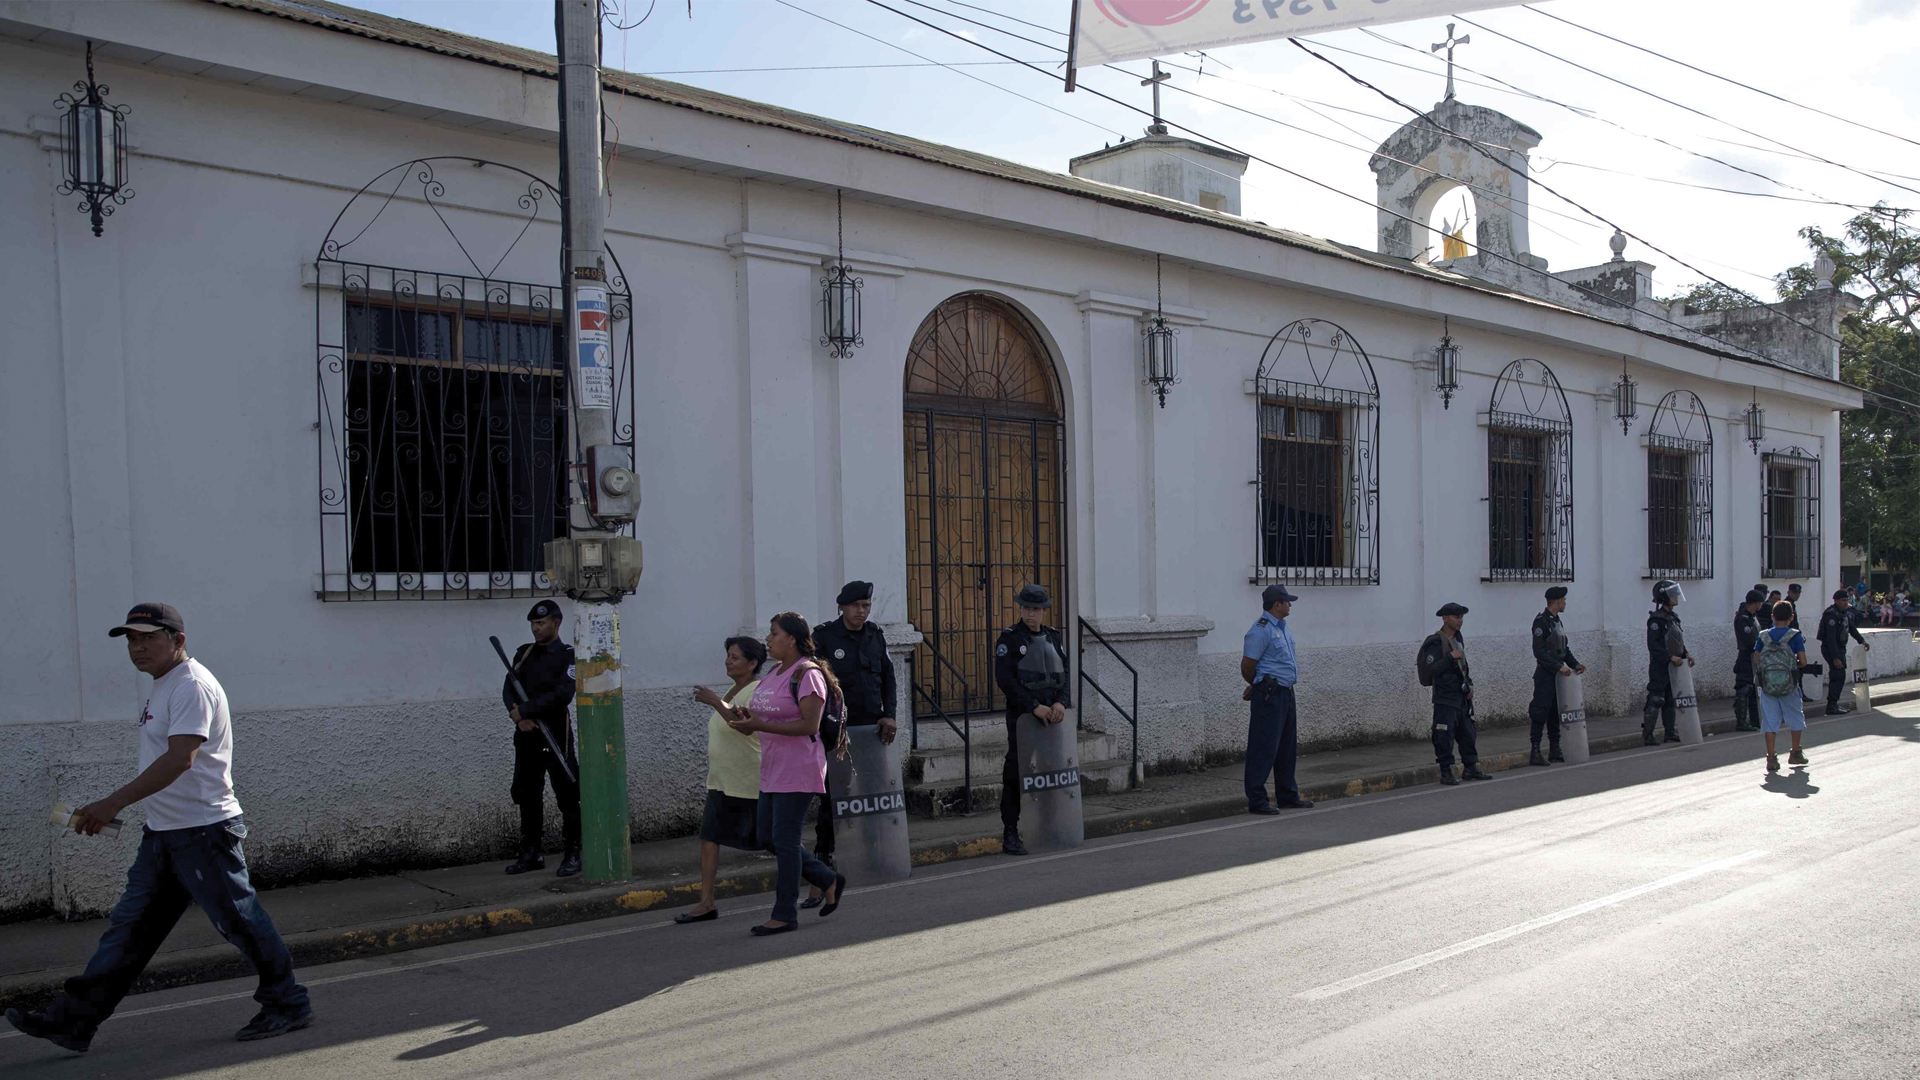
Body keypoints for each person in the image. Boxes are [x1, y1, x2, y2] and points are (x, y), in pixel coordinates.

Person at [5, 604, 312, 1053]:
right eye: (131, 639)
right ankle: (74, 1020)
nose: (137, 647)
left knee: (240, 923)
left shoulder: (191, 685)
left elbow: (179, 758)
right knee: (129, 931)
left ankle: (287, 1002)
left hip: (205, 831)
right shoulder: (166, 686)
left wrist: (113, 802)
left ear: (178, 640)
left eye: (148, 637)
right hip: (166, 833)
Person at [727, 613, 847, 935]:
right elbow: (765, 715)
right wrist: (746, 717)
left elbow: (809, 725)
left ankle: (784, 914)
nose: (768, 638)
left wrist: (759, 724)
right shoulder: (774, 672)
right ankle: (826, 878)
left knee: (785, 840)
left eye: (774, 633)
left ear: (791, 639)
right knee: (767, 837)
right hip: (772, 768)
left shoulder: (808, 675)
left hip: (799, 769)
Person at [804, 580, 897, 904]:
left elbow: (888, 678)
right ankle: (824, 860)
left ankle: (875, 853)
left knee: (874, 793)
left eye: (866, 606)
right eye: (857, 605)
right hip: (836, 731)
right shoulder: (825, 637)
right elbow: (812, 680)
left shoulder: (875, 636)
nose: (862, 611)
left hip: (871, 729)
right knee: (835, 797)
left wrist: (890, 714)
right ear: (842, 606)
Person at [676, 636, 766, 925]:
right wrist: (719, 700)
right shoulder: (735, 689)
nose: (728, 661)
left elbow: (743, 727)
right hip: (722, 781)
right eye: (728, 656)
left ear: (752, 664)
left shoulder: (756, 690)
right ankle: (706, 902)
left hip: (748, 781)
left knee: (775, 840)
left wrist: (715, 701)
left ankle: (822, 878)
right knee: (710, 837)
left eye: (735, 657)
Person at [503, 600, 581, 877]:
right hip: (527, 735)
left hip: (556, 733)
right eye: (534, 624)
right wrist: (519, 716)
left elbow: (563, 694)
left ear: (556, 624)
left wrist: (525, 709)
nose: (536, 628)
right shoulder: (524, 654)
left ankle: (574, 852)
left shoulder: (567, 655)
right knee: (527, 794)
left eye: (541, 623)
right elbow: (510, 686)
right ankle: (532, 852)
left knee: (568, 793)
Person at [994, 584, 1074, 852]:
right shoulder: (1010, 639)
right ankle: (1010, 833)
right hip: (1023, 719)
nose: (1030, 614)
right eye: (1026, 608)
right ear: (1020, 608)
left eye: (1036, 609)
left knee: (1052, 772)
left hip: (1053, 718)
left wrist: (1061, 702)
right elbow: (1005, 680)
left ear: (1044, 611)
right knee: (1016, 774)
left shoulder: (1053, 637)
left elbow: (1064, 673)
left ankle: (1050, 824)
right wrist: (1032, 706)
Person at [1240, 584, 1314, 814]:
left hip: (1285, 692)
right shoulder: (1261, 630)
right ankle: (1257, 799)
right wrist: (1258, 684)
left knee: (1286, 747)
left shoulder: (1282, 627)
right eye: (1287, 601)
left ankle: (1287, 794)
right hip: (1270, 695)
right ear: (1277, 604)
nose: (1290, 605)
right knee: (1264, 747)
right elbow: (1248, 665)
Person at [1421, 603, 1491, 785]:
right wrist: (1450, 657)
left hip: (1461, 697)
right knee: (1444, 736)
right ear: (1445, 619)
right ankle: (1446, 771)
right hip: (1445, 698)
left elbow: (1463, 667)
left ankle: (1471, 767)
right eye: (1456, 617)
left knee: (1468, 732)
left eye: (1461, 617)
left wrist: (1470, 685)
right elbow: (1432, 670)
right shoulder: (1436, 642)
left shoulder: (1458, 638)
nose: (1460, 621)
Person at [1527, 586, 1585, 765]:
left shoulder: (1557, 622)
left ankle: (1555, 749)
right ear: (1557, 601)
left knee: (1555, 713)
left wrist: (1575, 664)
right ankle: (1535, 751)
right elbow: (1540, 651)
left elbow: (1563, 649)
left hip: (1559, 677)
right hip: (1546, 675)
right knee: (1539, 712)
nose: (1565, 603)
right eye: (1563, 600)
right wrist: (1558, 666)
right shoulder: (1541, 622)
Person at [1753, 600, 1811, 773]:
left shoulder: (1763, 636)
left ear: (1772, 617)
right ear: (1791, 617)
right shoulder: (1795, 635)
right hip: (1789, 685)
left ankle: (1771, 758)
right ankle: (1795, 752)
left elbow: (1756, 659)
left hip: (1768, 685)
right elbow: (1804, 661)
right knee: (1795, 717)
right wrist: (1793, 664)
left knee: (1770, 721)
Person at [1644, 580, 1694, 746]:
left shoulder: (1674, 618)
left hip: (1675, 666)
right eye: (1672, 593)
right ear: (1664, 596)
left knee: (1671, 699)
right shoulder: (1656, 620)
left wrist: (1686, 654)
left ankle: (1670, 732)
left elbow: (1676, 640)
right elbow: (1654, 646)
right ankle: (1648, 735)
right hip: (1660, 666)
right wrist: (1669, 657)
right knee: (1656, 698)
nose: (1676, 596)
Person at [1817, 589, 1870, 715]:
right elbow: (1830, 638)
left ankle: (1834, 704)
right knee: (1837, 675)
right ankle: (1832, 705)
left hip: (1840, 648)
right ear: (1836, 601)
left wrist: (1862, 641)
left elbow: (1851, 628)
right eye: (1843, 600)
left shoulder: (1843, 612)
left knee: (1840, 675)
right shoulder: (1831, 614)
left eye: (1847, 600)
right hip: (1831, 648)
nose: (1845, 603)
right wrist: (1835, 657)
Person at [1732, 589, 1767, 732]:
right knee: (1744, 688)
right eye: (1760, 603)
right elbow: (1750, 640)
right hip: (1746, 656)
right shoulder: (1743, 618)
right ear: (1755, 603)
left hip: (1754, 656)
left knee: (1751, 690)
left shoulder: (1752, 617)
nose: (1761, 606)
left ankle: (1755, 720)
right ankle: (1741, 721)